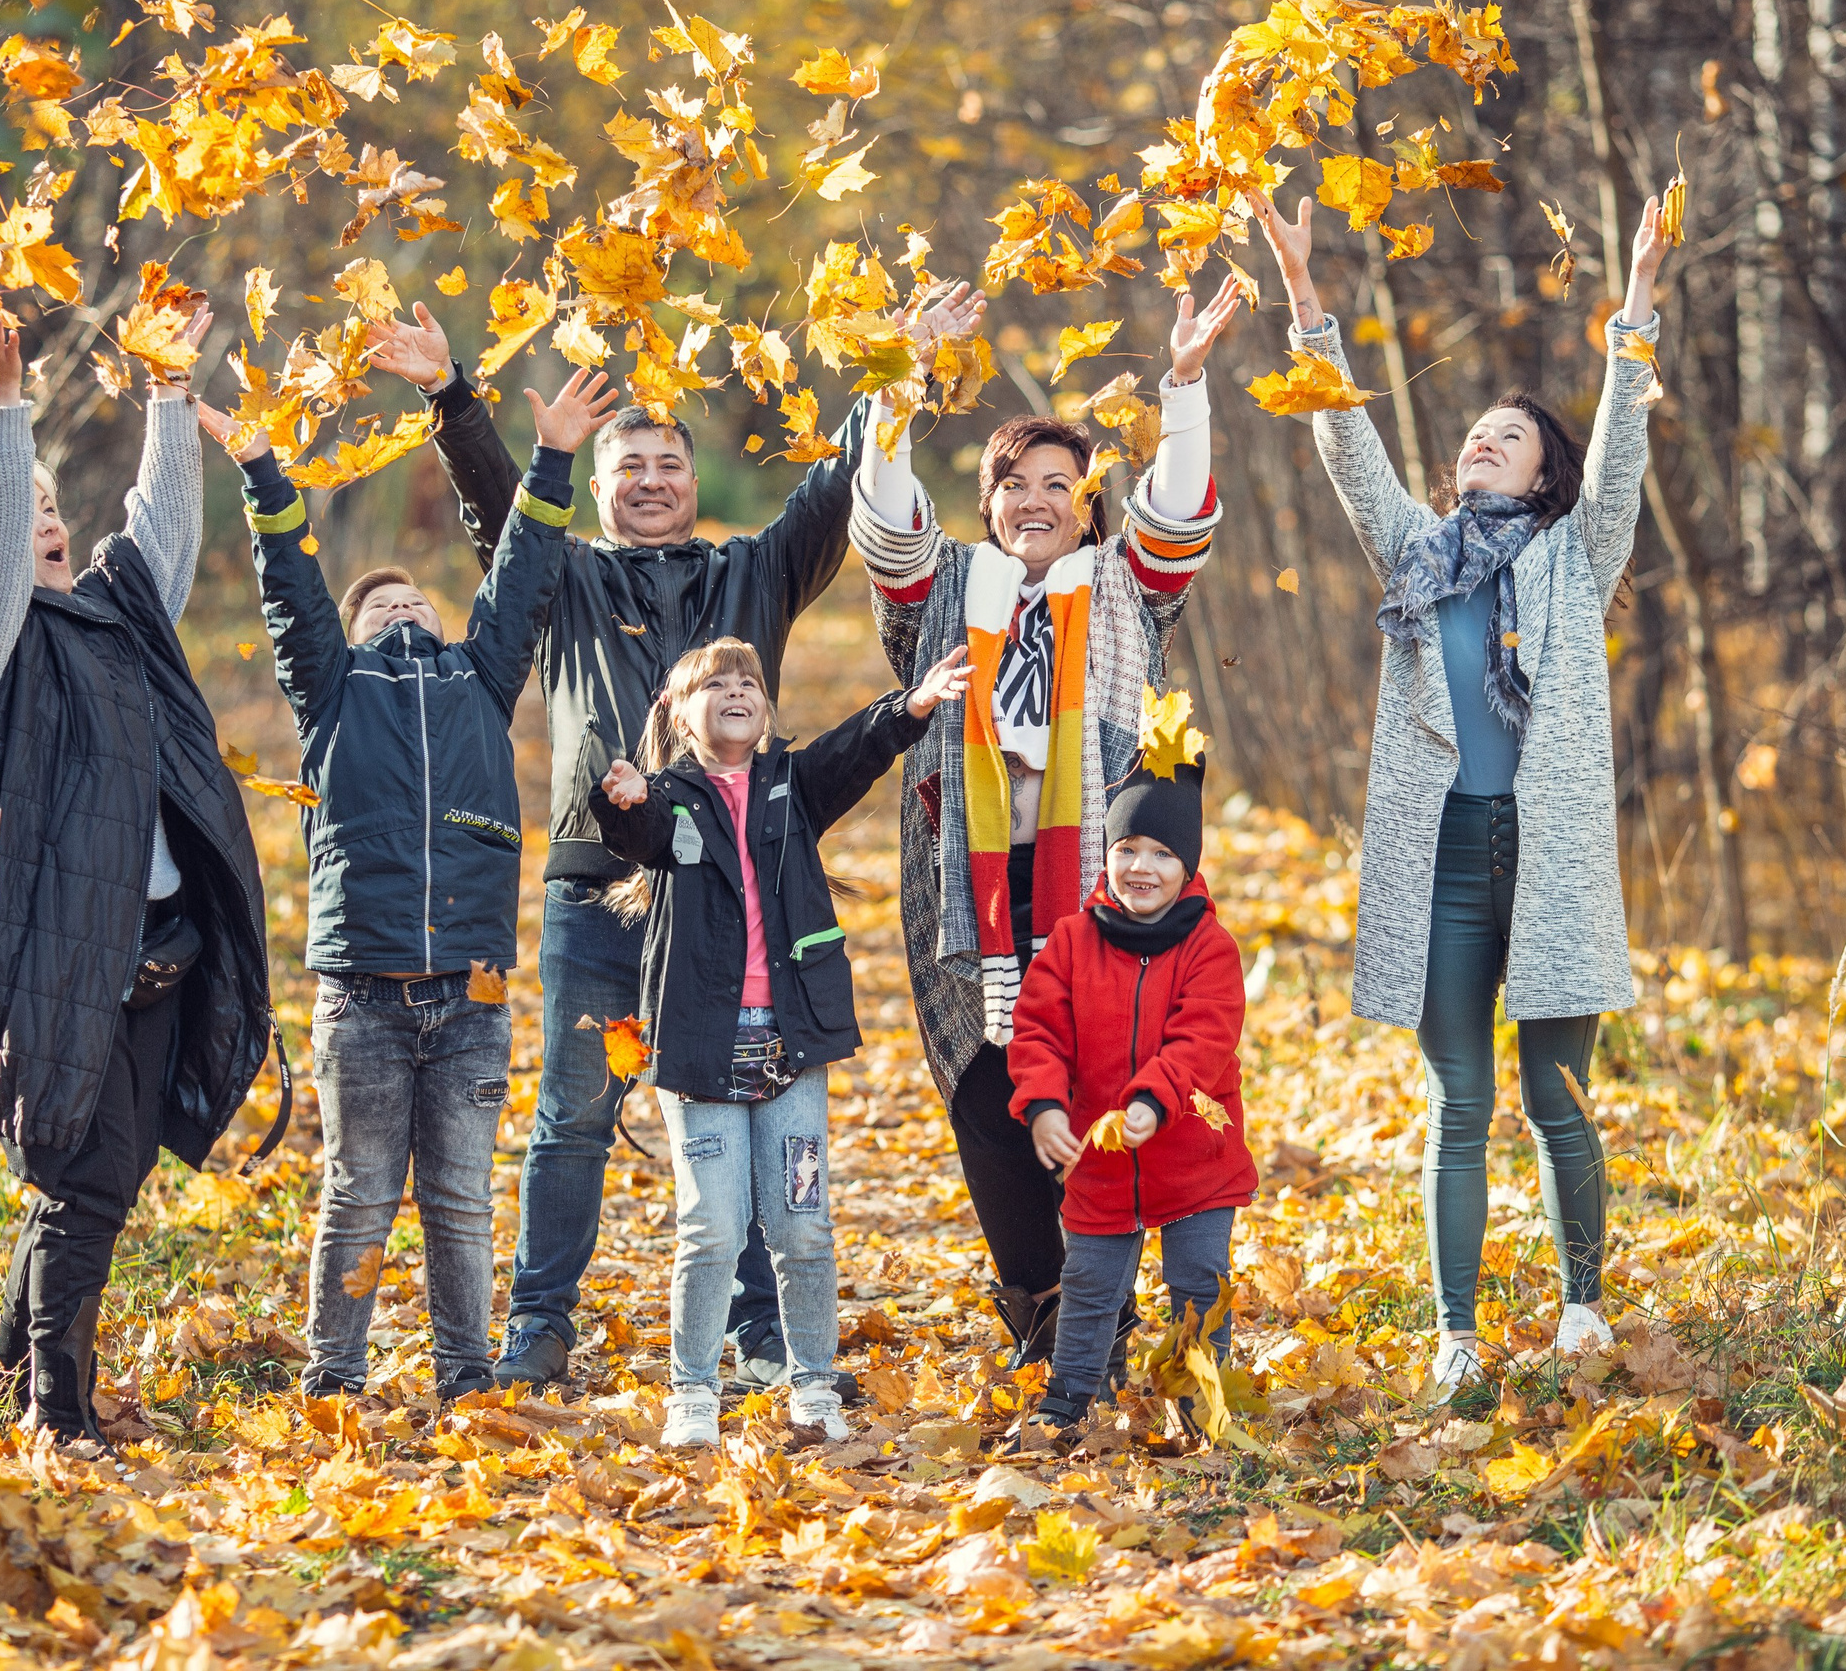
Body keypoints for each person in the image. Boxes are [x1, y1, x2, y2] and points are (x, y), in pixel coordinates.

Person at [364, 287, 986, 1389]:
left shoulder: (757, 570)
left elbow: (832, 485)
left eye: (667, 466)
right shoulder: (558, 575)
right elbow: (500, 504)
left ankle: (757, 1328)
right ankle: (539, 1326)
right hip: (597, 886)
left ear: (693, 483)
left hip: (732, 891)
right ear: (597, 491)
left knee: (744, 1099)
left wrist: (899, 371)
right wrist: (451, 395)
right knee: (573, 1116)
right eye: (628, 469)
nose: (650, 483)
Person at [1253, 186, 1674, 1399]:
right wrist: (1304, 299)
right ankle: (1454, 1331)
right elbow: (1344, 442)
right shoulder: (1415, 555)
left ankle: (1580, 1307)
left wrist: (1636, 298)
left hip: (1545, 858)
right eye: (1472, 433)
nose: (1479, 442)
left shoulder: (1573, 555)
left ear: (1546, 469)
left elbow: (1622, 454)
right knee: (1460, 1095)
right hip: (1442, 856)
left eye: (1508, 434)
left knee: (1555, 1088)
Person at [850, 274, 1247, 1372]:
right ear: (985, 505)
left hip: (1096, 883)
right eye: (1014, 483)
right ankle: (1040, 1308)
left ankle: (1110, 1312)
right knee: (987, 1093)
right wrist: (902, 373)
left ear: (1085, 503)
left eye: (1058, 484)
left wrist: (1182, 384)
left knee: (1089, 1084)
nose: (1035, 499)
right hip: (964, 878)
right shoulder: (940, 587)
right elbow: (882, 512)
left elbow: (1176, 507)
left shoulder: (1125, 585)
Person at [226, 372, 610, 1402]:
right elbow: (291, 585)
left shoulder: (480, 674)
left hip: (472, 989)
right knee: (356, 1193)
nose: (400, 607)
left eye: (414, 600)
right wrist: (264, 470)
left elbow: (524, 574)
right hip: (364, 990)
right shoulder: (333, 688)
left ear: (445, 619)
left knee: (456, 1196)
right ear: (349, 636)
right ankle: (333, 1375)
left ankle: (465, 1375)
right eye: (379, 604)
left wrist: (557, 455)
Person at [0, 303, 271, 1445]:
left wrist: (170, 392)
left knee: (86, 1181)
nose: (45, 522)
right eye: (22, 516)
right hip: (51, 959)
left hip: (157, 955)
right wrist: (4, 403)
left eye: (49, 510)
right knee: (92, 1183)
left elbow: (160, 528)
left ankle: (5, 1374)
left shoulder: (116, 621)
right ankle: (56, 1413)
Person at [590, 636, 971, 1447]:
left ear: (765, 709)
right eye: (715, 684)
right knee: (713, 1229)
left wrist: (913, 705)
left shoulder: (791, 789)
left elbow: (852, 752)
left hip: (790, 1048)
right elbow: (642, 835)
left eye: (748, 683)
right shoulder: (672, 797)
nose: (736, 692)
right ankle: (693, 1390)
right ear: (679, 714)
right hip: (700, 1055)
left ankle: (812, 1384)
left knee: (801, 1225)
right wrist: (622, 800)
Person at [1005, 755, 1253, 1440]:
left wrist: (1152, 1100)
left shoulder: (1210, 948)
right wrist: (1046, 1103)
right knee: (1089, 1284)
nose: (1141, 868)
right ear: (1106, 857)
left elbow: (1202, 1041)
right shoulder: (1072, 943)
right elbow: (1038, 1032)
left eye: (1161, 854)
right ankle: (1073, 1395)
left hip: (1194, 1157)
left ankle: (1201, 1400)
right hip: (1101, 1158)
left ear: (1190, 865)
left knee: (1198, 1280)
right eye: (1126, 850)